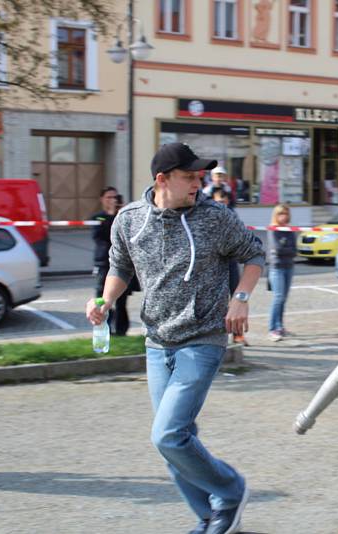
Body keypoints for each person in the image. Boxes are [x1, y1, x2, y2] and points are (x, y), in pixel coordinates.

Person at [85, 142, 265, 534]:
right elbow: (120, 266)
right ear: (162, 180)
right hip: (157, 343)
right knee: (176, 442)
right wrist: (105, 299)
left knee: (168, 435)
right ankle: (209, 516)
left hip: (203, 338)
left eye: (200, 177)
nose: (197, 185)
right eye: (189, 177)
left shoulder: (216, 217)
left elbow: (254, 254)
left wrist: (241, 299)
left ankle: (231, 492)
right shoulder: (130, 220)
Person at [90, 186, 133, 336]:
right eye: (109, 197)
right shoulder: (98, 217)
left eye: (115, 197)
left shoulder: (123, 216)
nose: (112, 200)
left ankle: (121, 331)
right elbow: (100, 236)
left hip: (122, 262)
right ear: (102, 199)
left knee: (121, 301)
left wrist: (121, 211)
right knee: (102, 298)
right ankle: (103, 328)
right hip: (104, 262)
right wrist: (109, 214)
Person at [212, 189, 247, 345]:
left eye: (224, 201)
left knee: (236, 299)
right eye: (219, 201)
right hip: (214, 265)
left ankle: (238, 334)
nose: (222, 204)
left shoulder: (232, 216)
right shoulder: (208, 216)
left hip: (231, 262)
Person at [266, 203, 296, 341]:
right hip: (276, 267)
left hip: (289, 266)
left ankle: (280, 325)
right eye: (281, 214)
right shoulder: (273, 229)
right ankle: (272, 329)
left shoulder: (290, 229)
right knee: (278, 298)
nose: (283, 217)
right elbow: (277, 249)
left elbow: (294, 249)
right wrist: (286, 248)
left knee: (283, 298)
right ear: (276, 215)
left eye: (286, 214)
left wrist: (286, 247)